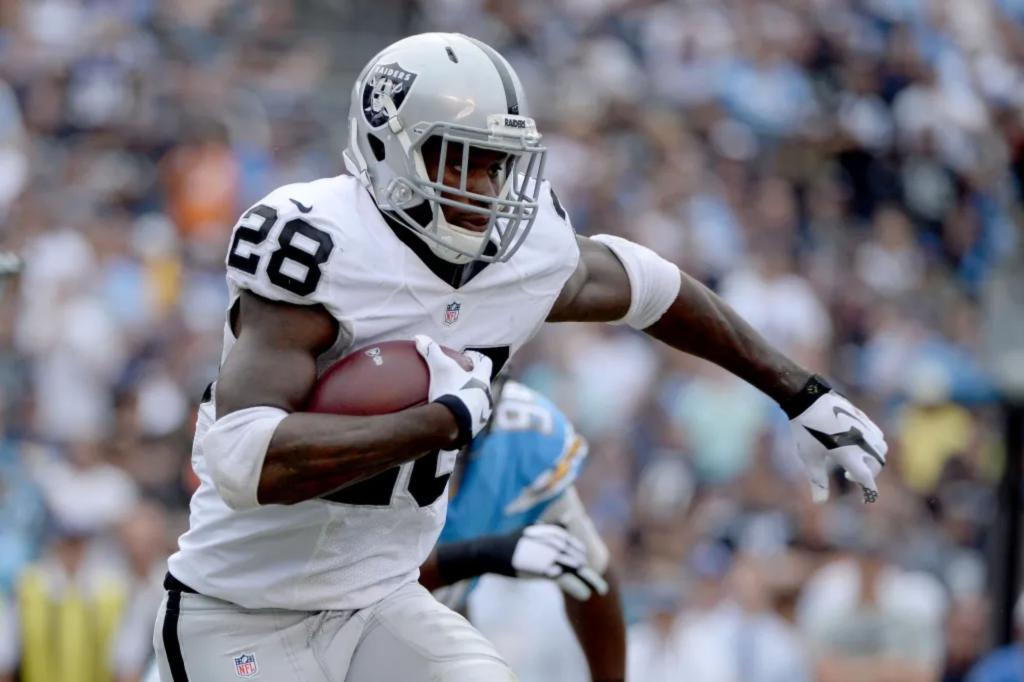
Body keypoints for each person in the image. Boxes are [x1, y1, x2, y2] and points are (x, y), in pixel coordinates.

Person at [154, 32, 888, 682]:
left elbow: (651, 286)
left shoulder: (523, 251)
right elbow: (244, 461)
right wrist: (437, 423)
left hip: (377, 600)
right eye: (457, 160)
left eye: (496, 164)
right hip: (240, 609)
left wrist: (802, 393)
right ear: (386, 147)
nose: (482, 189)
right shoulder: (318, 243)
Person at [419, 379, 625, 682]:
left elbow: (592, 573)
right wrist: (479, 556)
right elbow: (367, 583)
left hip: (432, 629)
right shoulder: (370, 409)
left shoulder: (523, 434)